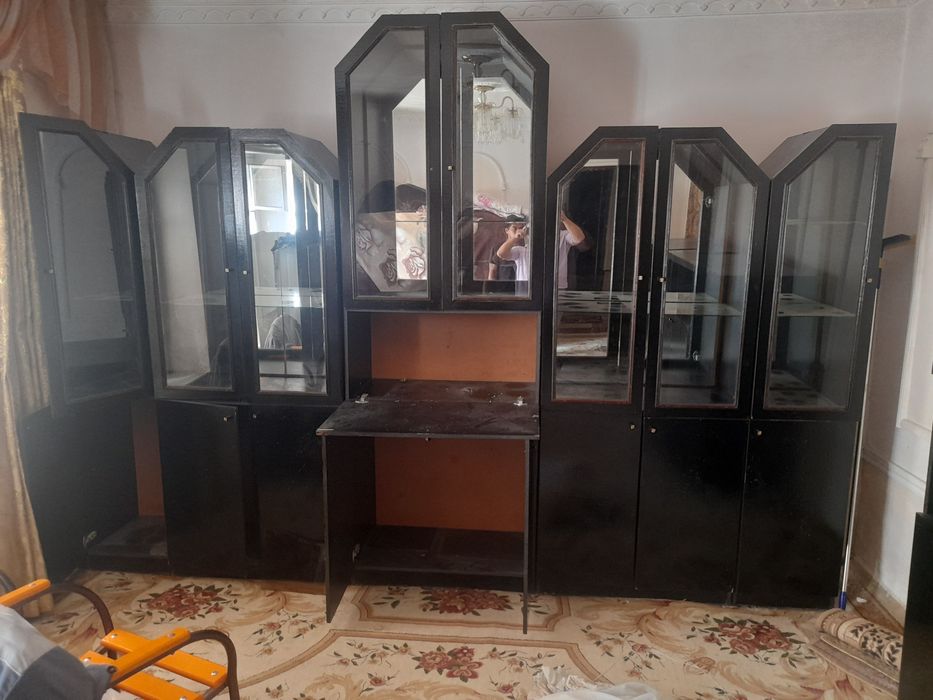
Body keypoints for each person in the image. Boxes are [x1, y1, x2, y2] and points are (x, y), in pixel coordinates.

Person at [557, 210, 590, 289]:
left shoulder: (561, 235)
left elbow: (579, 238)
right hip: (529, 282)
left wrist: (564, 218)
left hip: (557, 285)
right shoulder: (528, 235)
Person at [492, 214, 529, 282]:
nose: (518, 231)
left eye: (521, 228)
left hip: (519, 284)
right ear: (507, 230)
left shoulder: (525, 248)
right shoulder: (498, 247)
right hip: (503, 286)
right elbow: (492, 271)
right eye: (514, 228)